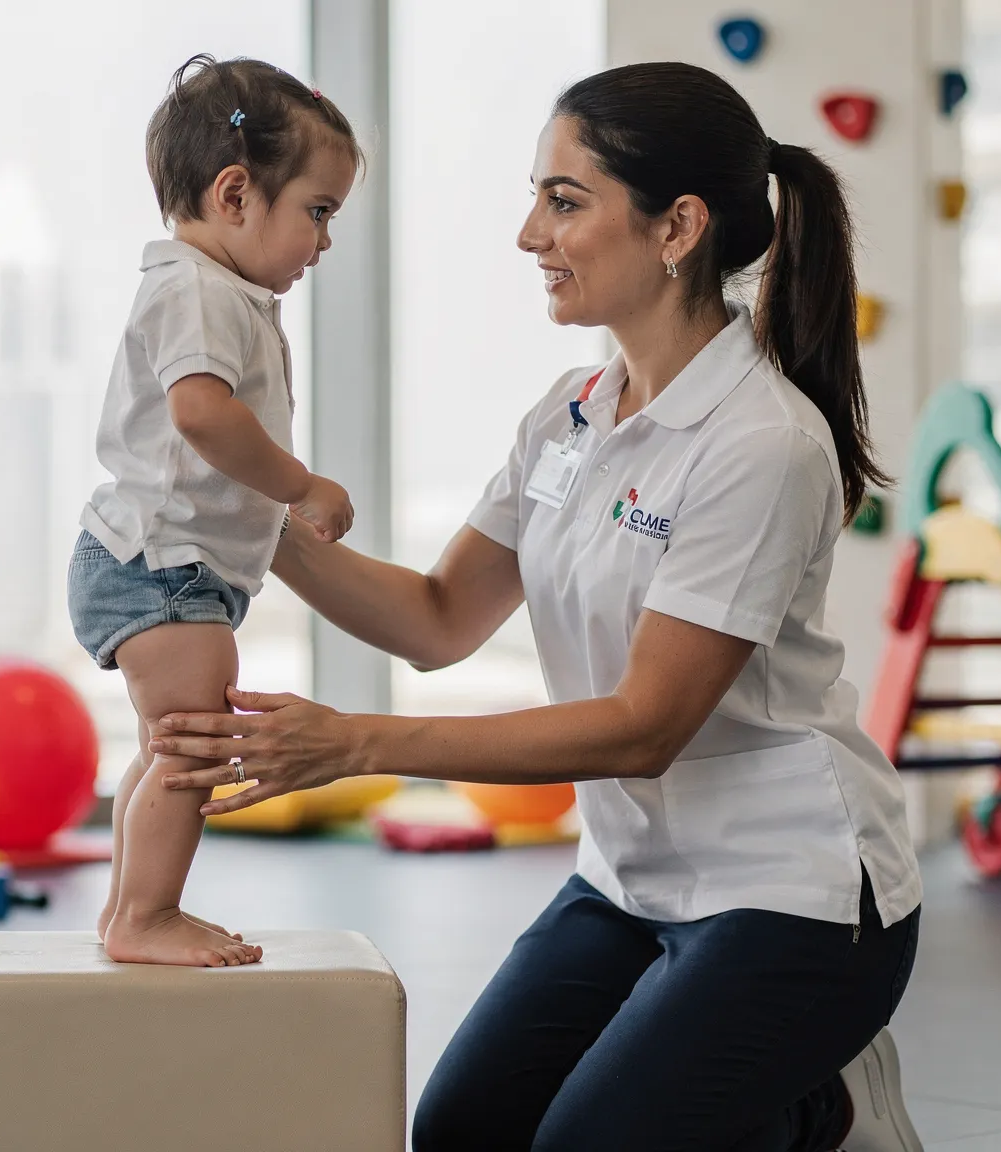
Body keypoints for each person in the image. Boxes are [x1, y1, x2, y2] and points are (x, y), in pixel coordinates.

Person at [150, 62, 926, 1150]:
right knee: (463, 1131)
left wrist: (356, 743)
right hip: (629, 878)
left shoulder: (761, 444)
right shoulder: (567, 416)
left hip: (791, 895)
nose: (527, 234)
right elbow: (435, 619)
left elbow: (645, 727)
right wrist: (245, 518)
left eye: (563, 201)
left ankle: (815, 1111)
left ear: (677, 228)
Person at [68, 54, 362, 968]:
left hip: (158, 563)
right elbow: (200, 412)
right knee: (194, 750)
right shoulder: (197, 289)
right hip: (159, 564)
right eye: (318, 212)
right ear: (235, 194)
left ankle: (128, 908)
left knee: (168, 747)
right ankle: (146, 916)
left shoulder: (218, 290)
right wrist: (299, 486)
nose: (323, 243)